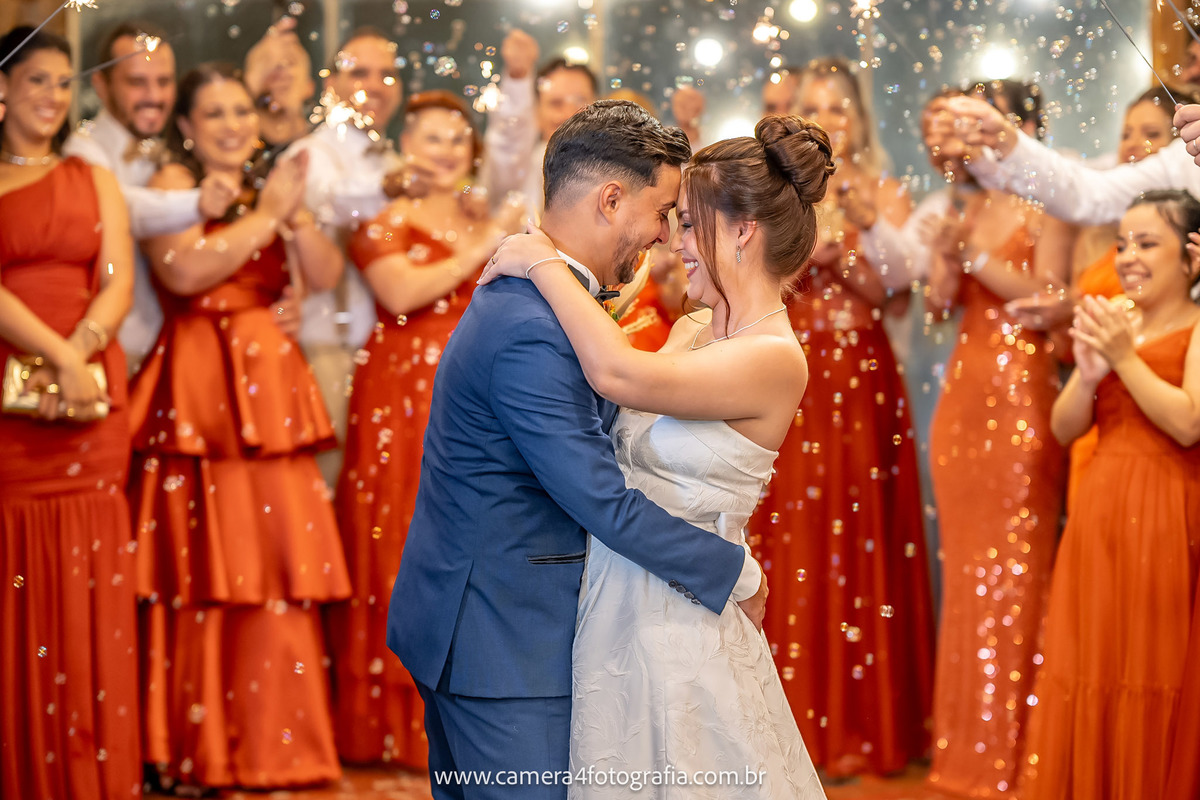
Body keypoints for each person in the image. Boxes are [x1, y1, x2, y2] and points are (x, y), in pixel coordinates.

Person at [387, 100, 770, 800]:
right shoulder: (532, 323)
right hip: (502, 643)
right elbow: (600, 498)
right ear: (611, 198)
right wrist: (732, 571)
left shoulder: (541, 300)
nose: (663, 237)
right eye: (660, 213)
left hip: (492, 623)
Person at [477, 109, 832, 798]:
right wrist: (600, 298)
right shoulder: (697, 329)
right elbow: (620, 412)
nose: (674, 242)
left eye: (690, 222)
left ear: (742, 230)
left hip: (680, 625)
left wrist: (544, 261)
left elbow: (620, 377)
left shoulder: (775, 360)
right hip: (616, 609)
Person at [129, 62, 350, 791]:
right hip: (202, 383)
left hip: (271, 384)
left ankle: (279, 743)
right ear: (186, 127)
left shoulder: (272, 190)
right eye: (214, 114)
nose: (231, 126)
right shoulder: (170, 187)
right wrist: (263, 217)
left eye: (239, 113)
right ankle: (204, 746)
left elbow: (321, 275)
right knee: (206, 570)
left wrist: (295, 215)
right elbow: (186, 272)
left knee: (277, 567)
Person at [745, 57, 935, 779]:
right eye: (813, 104)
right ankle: (782, 724)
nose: (830, 117)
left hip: (860, 378)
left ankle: (862, 725)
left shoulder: (880, 188)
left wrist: (857, 232)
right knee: (790, 527)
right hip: (787, 369)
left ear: (859, 117)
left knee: (857, 531)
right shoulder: (771, 192)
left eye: (841, 106)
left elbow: (896, 286)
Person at [328, 90, 518, 767]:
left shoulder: (484, 216)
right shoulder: (386, 220)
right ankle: (391, 721)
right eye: (429, 137)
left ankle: (474, 718)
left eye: (454, 138)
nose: (443, 150)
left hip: (474, 392)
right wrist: (486, 244)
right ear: (405, 147)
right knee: (398, 528)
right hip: (400, 392)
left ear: (472, 152)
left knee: (472, 536)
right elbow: (401, 294)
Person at [1019, 189, 1200, 800]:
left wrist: (1123, 358)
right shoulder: (1113, 312)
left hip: (1167, 511)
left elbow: (1188, 422)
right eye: (1123, 243)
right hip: (1099, 508)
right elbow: (1067, 427)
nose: (1128, 257)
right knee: (1093, 661)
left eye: (1149, 243)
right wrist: (1091, 373)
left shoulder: (1197, 324)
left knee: (1155, 664)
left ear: (1192, 257)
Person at [921, 80, 1074, 798]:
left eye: (985, 124)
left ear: (1023, 127)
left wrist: (974, 259)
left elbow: (1049, 299)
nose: (973, 139)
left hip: (1022, 395)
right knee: (968, 575)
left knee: (1018, 571)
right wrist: (945, 263)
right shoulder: (970, 201)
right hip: (965, 396)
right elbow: (941, 308)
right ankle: (967, 750)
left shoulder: (1051, 199)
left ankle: (1021, 755)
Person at [0, 26, 139, 799]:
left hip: (90, 399)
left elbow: (115, 277)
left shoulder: (94, 179)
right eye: (35, 83)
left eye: (61, 83)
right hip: (16, 402)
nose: (51, 98)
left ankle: (89, 772)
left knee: (89, 577)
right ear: (3, 90)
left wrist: (84, 348)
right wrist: (58, 355)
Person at [285, 28, 405, 489]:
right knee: (328, 485)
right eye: (359, 72)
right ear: (330, 85)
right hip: (325, 348)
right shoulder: (310, 154)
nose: (374, 85)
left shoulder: (392, 158)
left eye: (387, 75)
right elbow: (330, 203)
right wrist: (389, 191)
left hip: (383, 351)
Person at [478, 30, 598, 219]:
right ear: (537, 113)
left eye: (579, 102)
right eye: (555, 103)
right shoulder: (521, 168)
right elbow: (508, 142)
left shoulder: (619, 167)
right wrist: (518, 76)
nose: (569, 114)